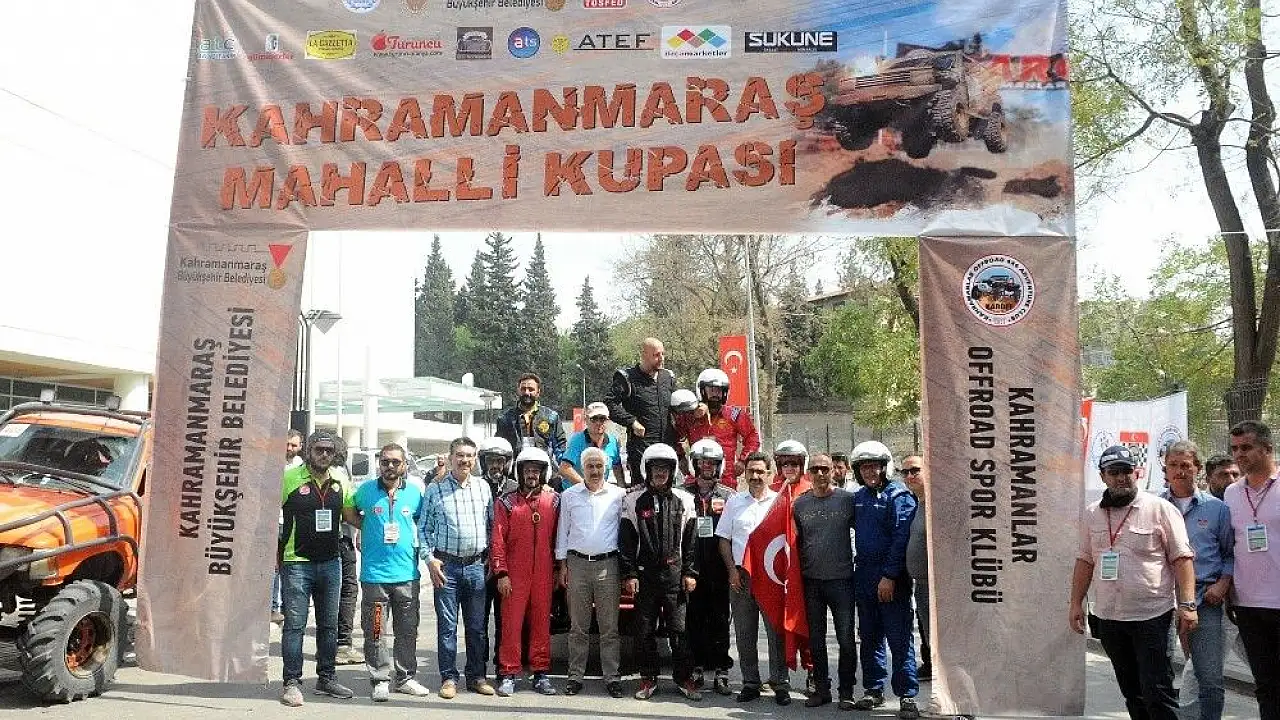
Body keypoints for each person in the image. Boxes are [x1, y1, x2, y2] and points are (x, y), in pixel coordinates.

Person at [1069, 444, 1198, 720]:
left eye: (1126, 471)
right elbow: (1085, 560)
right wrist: (1075, 603)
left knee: (1157, 692)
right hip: (1109, 617)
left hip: (1152, 616)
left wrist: (1188, 605)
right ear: (1102, 476)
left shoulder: (1160, 509)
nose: (1121, 478)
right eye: (1114, 472)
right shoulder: (1092, 514)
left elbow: (1182, 559)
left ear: (1136, 473)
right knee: (1132, 693)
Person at [341, 443, 431, 701]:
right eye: (385, 461)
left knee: (407, 631)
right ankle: (380, 679)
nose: (389, 466)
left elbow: (421, 522)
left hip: (406, 575)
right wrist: (367, 526)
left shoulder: (414, 493)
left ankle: (405, 678)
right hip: (375, 577)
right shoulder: (366, 491)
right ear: (379, 463)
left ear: (404, 465)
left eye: (395, 462)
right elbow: (348, 511)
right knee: (376, 631)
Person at [277, 430, 355, 706]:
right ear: (308, 451)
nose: (324, 454)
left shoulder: (340, 480)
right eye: (319, 449)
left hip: (331, 563)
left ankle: (326, 678)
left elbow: (351, 516)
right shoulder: (288, 478)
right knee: (295, 626)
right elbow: (265, 514)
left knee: (329, 626)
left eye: (328, 451)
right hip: (297, 563)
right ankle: (291, 683)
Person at [1158, 440, 1232, 720]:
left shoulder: (1217, 509)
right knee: (1157, 675)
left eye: (1186, 465)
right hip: (1161, 600)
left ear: (1197, 469)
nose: (1179, 471)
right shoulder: (1154, 506)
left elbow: (1230, 553)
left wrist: (1223, 583)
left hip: (1204, 600)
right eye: (1173, 465)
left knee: (1209, 677)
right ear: (1165, 469)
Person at [621, 443, 700, 701]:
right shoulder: (633, 500)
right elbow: (627, 541)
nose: (660, 473)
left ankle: (684, 678)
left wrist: (690, 572)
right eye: (655, 468)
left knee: (679, 630)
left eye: (665, 468)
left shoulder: (685, 500)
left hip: (675, 575)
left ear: (672, 471)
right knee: (644, 630)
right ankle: (648, 677)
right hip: (645, 576)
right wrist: (630, 574)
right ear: (647, 470)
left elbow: (691, 541)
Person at [419, 437, 496, 699]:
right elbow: (423, 529)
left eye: (469, 456)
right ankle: (449, 678)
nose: (465, 460)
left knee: (477, 628)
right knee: (448, 627)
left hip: (476, 567)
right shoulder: (435, 489)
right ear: (451, 457)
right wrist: (429, 560)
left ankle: (476, 677)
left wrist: (490, 556)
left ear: (475, 459)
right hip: (447, 569)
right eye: (460, 455)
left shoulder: (483, 487)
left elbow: (491, 526)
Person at [850, 441, 920, 720]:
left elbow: (901, 538)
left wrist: (889, 576)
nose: (870, 472)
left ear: (885, 467)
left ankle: (907, 694)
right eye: (864, 467)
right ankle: (873, 689)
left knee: (899, 637)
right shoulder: (859, 497)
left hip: (891, 578)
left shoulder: (898, 496)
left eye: (874, 466)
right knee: (869, 637)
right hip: (864, 575)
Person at [716, 451, 791, 705]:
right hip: (741, 577)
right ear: (745, 474)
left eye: (760, 471)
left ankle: (780, 683)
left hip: (771, 578)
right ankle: (750, 682)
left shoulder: (780, 502)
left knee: (776, 633)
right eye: (751, 471)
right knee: (744, 632)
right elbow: (724, 539)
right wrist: (731, 571)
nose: (756, 476)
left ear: (770, 474)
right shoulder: (734, 502)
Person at [556, 447, 627, 698]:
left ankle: (612, 677)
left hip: (609, 566)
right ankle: (575, 676)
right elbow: (562, 531)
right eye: (590, 466)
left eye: (599, 466)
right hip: (577, 565)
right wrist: (562, 566)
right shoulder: (569, 496)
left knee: (609, 628)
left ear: (605, 468)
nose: (595, 471)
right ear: (582, 468)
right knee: (578, 627)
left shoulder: (619, 495)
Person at [489, 447, 560, 696]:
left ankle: (540, 673)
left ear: (543, 473)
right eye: (528, 470)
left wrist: (558, 569)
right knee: (511, 624)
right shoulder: (506, 502)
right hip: (514, 574)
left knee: (541, 623)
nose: (532, 475)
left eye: (536, 471)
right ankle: (508, 673)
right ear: (519, 473)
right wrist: (501, 572)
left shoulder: (554, 501)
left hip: (544, 572)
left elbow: (560, 537)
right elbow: (497, 539)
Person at [791, 453, 860, 709]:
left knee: (846, 640)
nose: (820, 473)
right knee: (816, 641)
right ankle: (822, 690)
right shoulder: (800, 504)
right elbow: (794, 541)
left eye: (825, 469)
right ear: (808, 473)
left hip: (842, 581)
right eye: (815, 469)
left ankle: (846, 691)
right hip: (812, 582)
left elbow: (864, 532)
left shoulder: (847, 500)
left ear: (834, 471)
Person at [1223, 421, 1280, 720]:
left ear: (1267, 448)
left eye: (1246, 447)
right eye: (1234, 448)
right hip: (1247, 603)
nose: (1238, 454)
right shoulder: (1231, 493)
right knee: (1266, 684)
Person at [683, 438, 736, 695]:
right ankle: (696, 667)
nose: (707, 467)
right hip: (692, 568)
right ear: (694, 464)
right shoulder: (682, 493)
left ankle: (721, 670)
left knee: (720, 620)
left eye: (712, 463)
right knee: (694, 619)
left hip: (719, 568)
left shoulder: (729, 496)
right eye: (703, 463)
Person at [605, 337, 678, 488]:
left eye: (663, 354)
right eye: (656, 355)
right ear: (644, 355)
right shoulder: (627, 378)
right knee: (642, 493)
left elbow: (678, 406)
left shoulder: (668, 377)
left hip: (667, 448)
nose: (661, 358)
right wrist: (631, 421)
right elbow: (609, 404)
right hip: (641, 450)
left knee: (669, 492)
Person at [674, 368, 761, 487]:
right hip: (696, 478)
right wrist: (681, 458)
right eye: (712, 389)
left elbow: (753, 437)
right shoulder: (689, 415)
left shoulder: (734, 414)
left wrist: (743, 460)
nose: (715, 394)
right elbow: (673, 435)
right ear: (702, 390)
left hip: (725, 479)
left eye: (719, 390)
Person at [477, 436, 514, 670]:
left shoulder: (515, 488)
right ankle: (478, 669)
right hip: (480, 564)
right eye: (491, 461)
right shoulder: (475, 486)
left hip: (506, 566)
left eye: (500, 461)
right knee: (478, 620)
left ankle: (503, 667)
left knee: (505, 619)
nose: (495, 466)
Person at [331, 438, 363, 666]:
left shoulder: (305, 472)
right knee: (347, 590)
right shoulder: (341, 474)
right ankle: (342, 644)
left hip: (318, 541)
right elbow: (350, 511)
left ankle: (329, 644)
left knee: (328, 592)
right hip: (341, 540)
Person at [496, 372, 567, 471]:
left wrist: (564, 468)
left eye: (531, 389)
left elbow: (560, 447)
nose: (526, 393)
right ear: (518, 391)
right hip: (515, 471)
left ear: (538, 392)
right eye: (523, 389)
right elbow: (499, 448)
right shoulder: (505, 418)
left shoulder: (551, 417)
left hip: (544, 470)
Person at [901, 455, 932, 681]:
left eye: (915, 471)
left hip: (937, 588)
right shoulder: (917, 503)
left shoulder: (936, 505)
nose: (910, 476)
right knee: (930, 639)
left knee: (940, 643)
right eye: (905, 472)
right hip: (921, 586)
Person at [273, 429, 304, 625]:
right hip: (274, 522)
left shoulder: (302, 468)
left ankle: (288, 608)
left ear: (300, 447)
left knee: (291, 568)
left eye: (293, 445)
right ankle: (272, 607)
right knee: (273, 566)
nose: (289, 448)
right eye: (286, 444)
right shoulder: (271, 464)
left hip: (293, 525)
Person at [560, 401, 625, 485]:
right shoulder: (576, 440)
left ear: (607, 420)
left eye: (602, 418)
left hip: (599, 490)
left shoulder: (612, 441)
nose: (598, 423)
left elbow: (617, 466)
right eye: (594, 419)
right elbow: (564, 469)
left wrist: (621, 487)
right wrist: (586, 487)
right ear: (586, 420)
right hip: (576, 490)